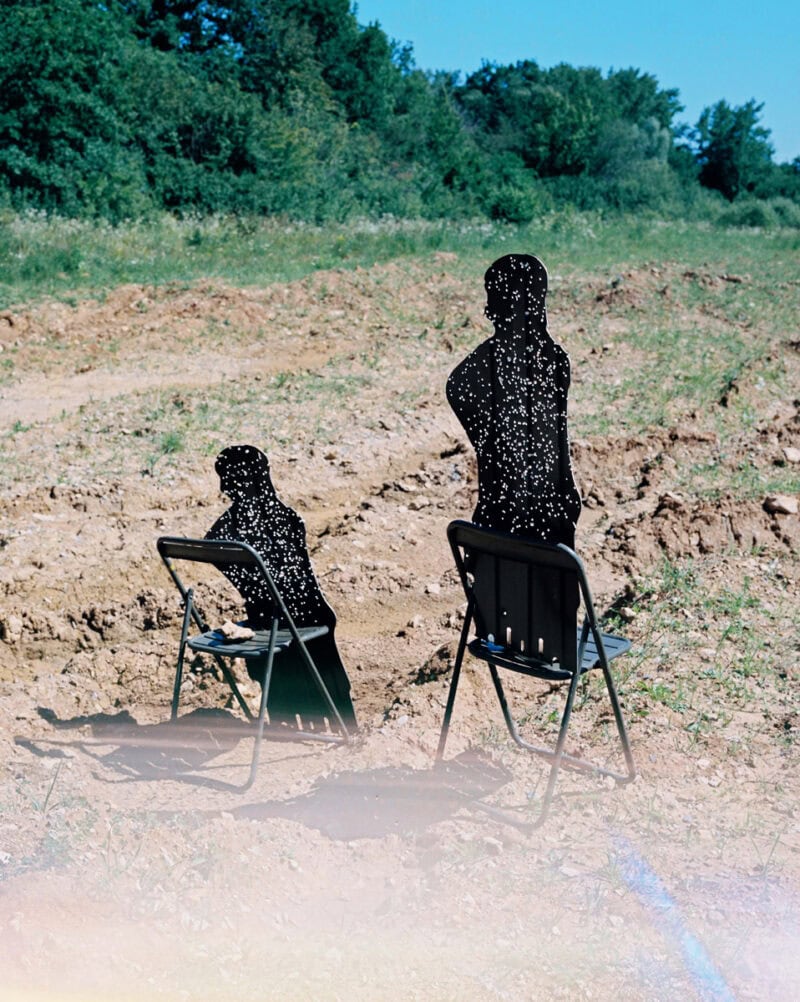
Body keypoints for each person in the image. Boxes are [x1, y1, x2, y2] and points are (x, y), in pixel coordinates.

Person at [206, 445, 357, 728]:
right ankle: (338, 723)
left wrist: (252, 587)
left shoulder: (228, 528)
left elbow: (212, 547)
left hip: (266, 620)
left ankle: (287, 720)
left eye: (226, 478)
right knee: (321, 645)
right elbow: (294, 582)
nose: (224, 485)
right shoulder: (287, 519)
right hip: (300, 620)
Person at [446, 253, 581, 547]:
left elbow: (456, 386)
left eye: (493, 300)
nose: (487, 310)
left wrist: (485, 437)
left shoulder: (495, 361)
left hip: (499, 518)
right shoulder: (552, 359)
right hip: (548, 522)